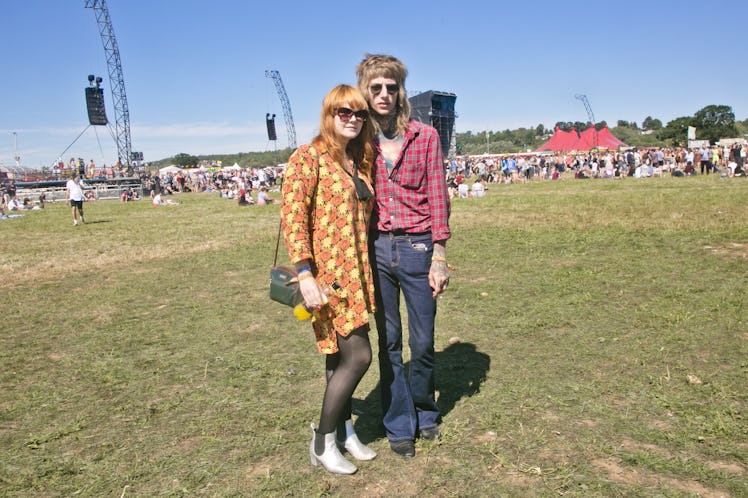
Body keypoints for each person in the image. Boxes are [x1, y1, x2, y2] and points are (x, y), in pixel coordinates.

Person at [356, 54, 451, 458]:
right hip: (377, 249)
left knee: (423, 340)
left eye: (390, 87)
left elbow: (437, 196)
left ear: (400, 91)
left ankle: (426, 411)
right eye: (376, 87)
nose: (384, 94)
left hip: (417, 248)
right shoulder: (358, 140)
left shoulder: (425, 136)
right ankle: (399, 423)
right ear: (365, 90)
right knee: (389, 341)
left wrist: (440, 255)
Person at [280, 84, 377, 475]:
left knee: (338, 358)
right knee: (359, 355)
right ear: (329, 115)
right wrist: (304, 273)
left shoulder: (358, 161)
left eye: (359, 114)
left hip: (357, 272)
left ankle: (345, 430)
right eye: (344, 112)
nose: (352, 119)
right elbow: (293, 216)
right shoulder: (309, 157)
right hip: (327, 277)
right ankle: (322, 440)